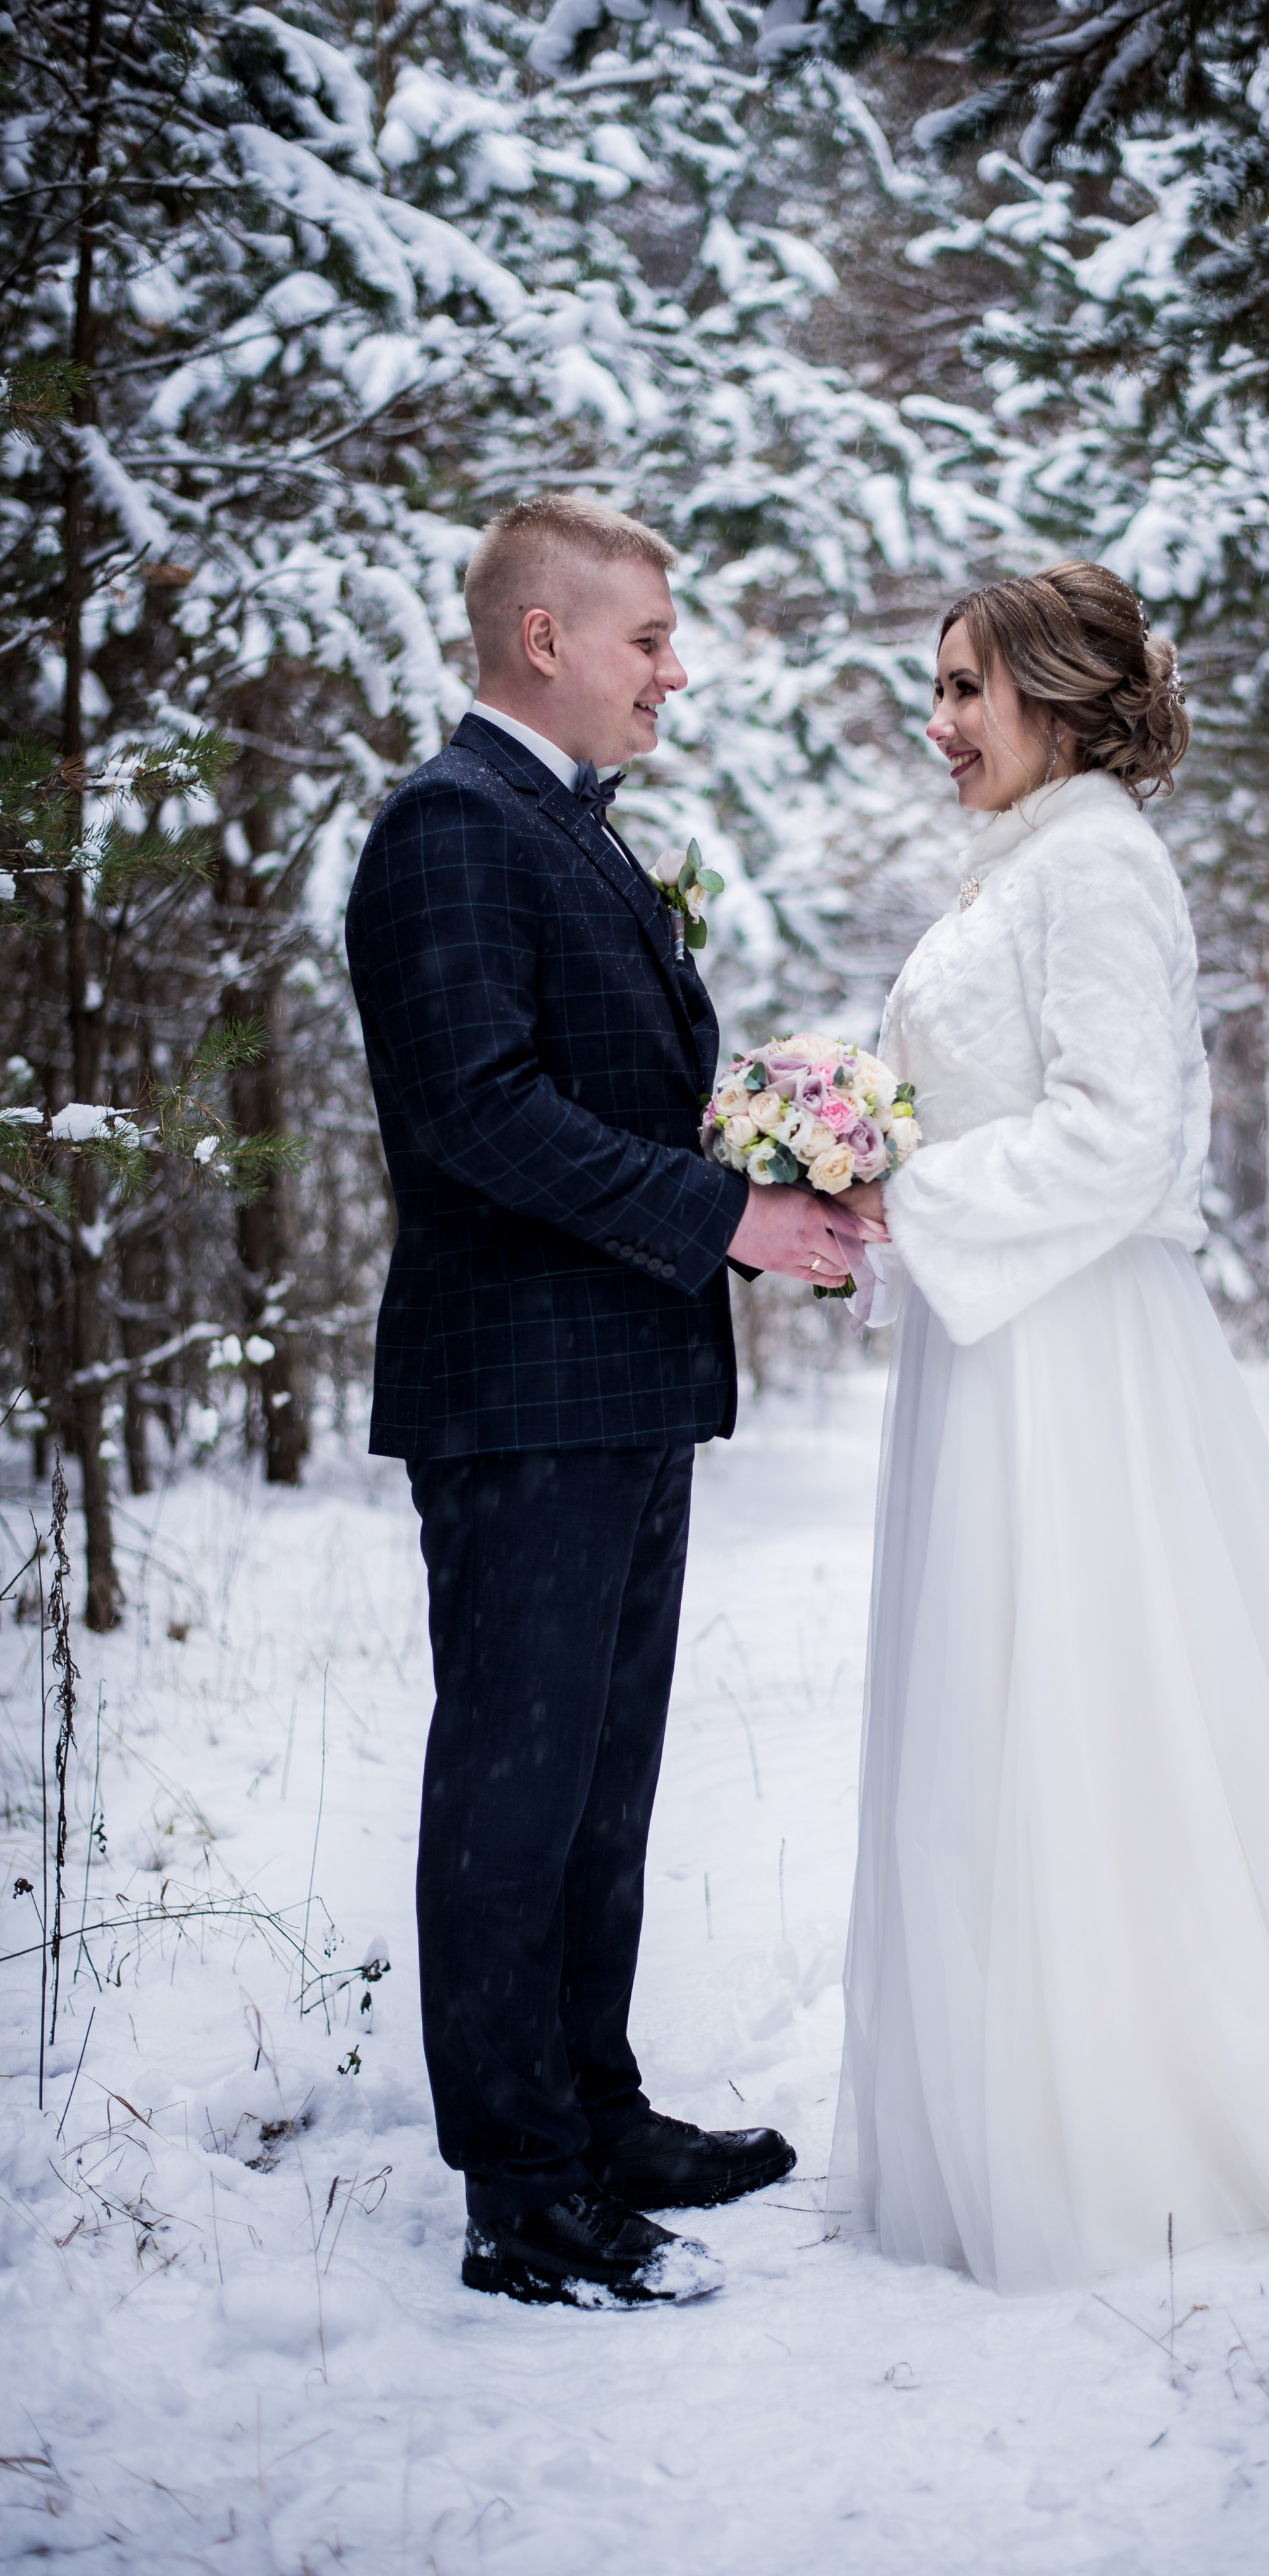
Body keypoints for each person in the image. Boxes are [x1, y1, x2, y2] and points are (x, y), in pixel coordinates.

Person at [829, 562, 1269, 2295]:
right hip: (996, 1341)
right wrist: (849, 1157)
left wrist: (904, 1193)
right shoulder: (1025, 864)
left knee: (1097, 1705)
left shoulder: (1096, 867)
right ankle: (1021, 2105)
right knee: (1002, 1715)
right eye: (937, 689)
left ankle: (1149, 2124)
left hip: (1078, 1361)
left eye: (967, 691)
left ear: (1061, 701)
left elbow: (1121, 1132)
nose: (938, 723)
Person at [345, 492, 885, 2309]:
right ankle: (522, 2192)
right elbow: (477, 1115)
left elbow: (607, 1098)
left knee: (598, 1779)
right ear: (544, 639)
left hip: (625, 1380)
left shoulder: (568, 829)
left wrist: (775, 1170)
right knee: (514, 1787)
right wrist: (727, 1212)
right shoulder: (449, 827)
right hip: (519, 1392)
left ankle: (594, 2107)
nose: (676, 672)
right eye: (649, 638)